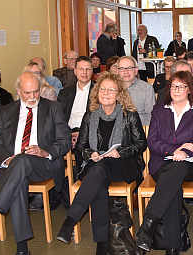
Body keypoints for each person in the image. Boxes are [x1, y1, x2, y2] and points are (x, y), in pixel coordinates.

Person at [0, 71, 71, 255]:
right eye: (27, 93)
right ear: (19, 91)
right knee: (18, 173)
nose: (33, 97)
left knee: (20, 165)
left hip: (44, 164)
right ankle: (22, 249)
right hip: (14, 165)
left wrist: (45, 151)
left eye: (36, 92)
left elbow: (65, 141)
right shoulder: (6, 111)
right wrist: (7, 159)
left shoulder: (53, 108)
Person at [56, 72, 146, 255]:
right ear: (97, 92)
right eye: (102, 89)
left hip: (123, 164)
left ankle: (71, 222)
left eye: (111, 90)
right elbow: (80, 146)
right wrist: (91, 153)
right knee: (98, 177)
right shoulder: (90, 116)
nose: (105, 93)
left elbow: (141, 144)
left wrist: (119, 152)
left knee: (97, 173)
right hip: (97, 163)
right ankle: (102, 245)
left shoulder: (129, 115)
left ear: (119, 93)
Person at [136, 71, 193, 255]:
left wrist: (185, 151)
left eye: (181, 86)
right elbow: (152, 141)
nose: (176, 90)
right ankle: (173, 246)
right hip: (162, 162)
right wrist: (172, 150)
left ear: (189, 89)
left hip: (191, 164)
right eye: (173, 86)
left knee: (176, 170)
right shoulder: (160, 109)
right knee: (173, 185)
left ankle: (147, 226)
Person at [117, 56, 155, 126]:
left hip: (140, 130)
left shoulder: (146, 88)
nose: (126, 72)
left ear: (136, 70)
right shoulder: (112, 88)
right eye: (122, 69)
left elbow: (151, 116)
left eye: (129, 68)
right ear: (118, 71)